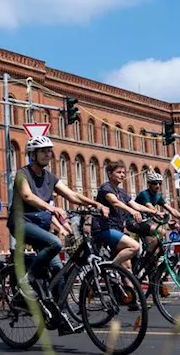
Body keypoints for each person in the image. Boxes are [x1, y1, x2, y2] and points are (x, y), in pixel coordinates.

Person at [9, 134, 108, 334]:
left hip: (40, 225)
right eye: (43, 151)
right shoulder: (22, 174)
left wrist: (94, 203)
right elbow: (27, 196)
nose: (48, 154)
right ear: (33, 154)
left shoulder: (50, 177)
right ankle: (26, 282)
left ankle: (60, 317)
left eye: (49, 151)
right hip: (21, 223)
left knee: (58, 269)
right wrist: (51, 208)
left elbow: (71, 194)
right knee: (55, 243)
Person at [91, 161, 150, 266]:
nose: (122, 175)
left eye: (123, 172)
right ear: (109, 174)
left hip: (118, 230)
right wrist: (132, 211)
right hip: (105, 229)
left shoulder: (121, 191)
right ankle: (110, 267)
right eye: (119, 172)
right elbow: (115, 202)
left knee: (127, 268)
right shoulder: (106, 188)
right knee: (135, 246)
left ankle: (118, 272)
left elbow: (136, 205)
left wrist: (155, 212)